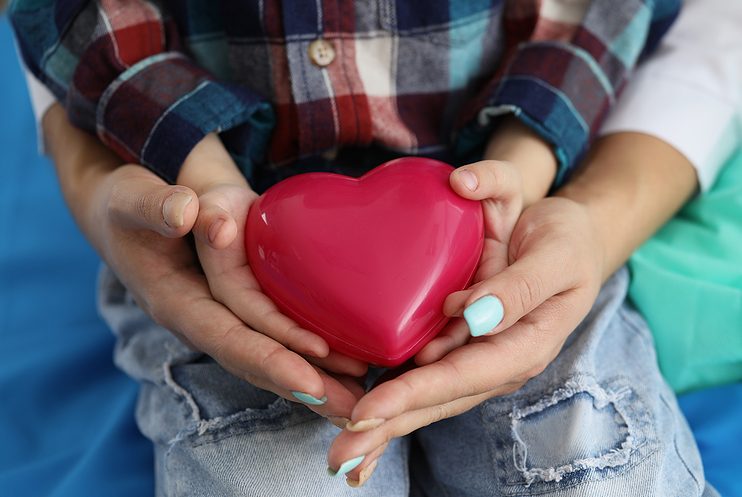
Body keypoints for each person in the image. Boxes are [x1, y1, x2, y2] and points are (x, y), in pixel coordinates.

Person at [11, 0, 735, 494]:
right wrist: (202, 181)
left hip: (511, 217)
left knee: (590, 465)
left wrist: (523, 169)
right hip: (217, 229)